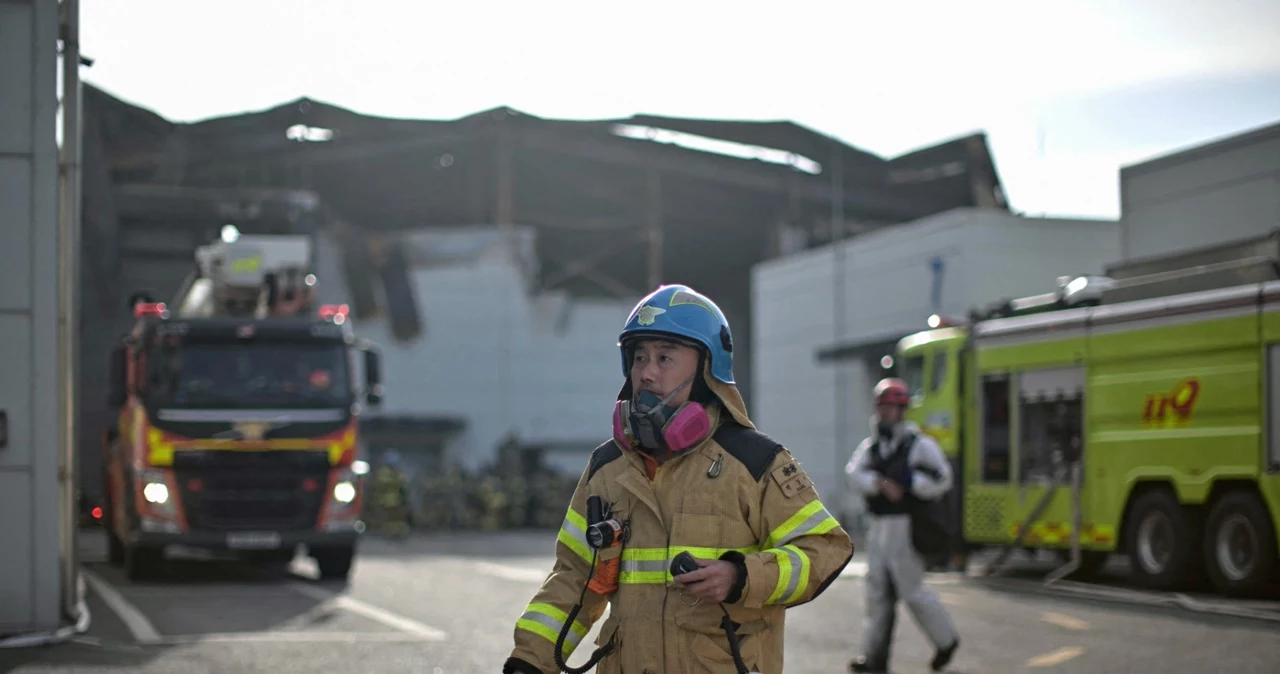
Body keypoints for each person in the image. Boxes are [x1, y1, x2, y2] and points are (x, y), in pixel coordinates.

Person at [502, 284, 853, 674]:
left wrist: (742, 576)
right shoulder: (607, 467)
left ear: (705, 370)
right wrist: (529, 661)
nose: (647, 373)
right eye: (639, 358)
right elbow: (573, 576)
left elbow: (824, 549)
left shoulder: (754, 462)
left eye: (665, 357)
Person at [845, 378, 960, 673]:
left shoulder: (919, 444)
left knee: (912, 591)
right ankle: (874, 659)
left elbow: (942, 479)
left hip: (906, 525)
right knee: (876, 592)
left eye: (892, 407)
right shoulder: (870, 447)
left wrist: (910, 483)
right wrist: (881, 484)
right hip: (878, 525)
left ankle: (946, 641)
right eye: (882, 406)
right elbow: (853, 473)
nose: (886, 412)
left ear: (902, 409)